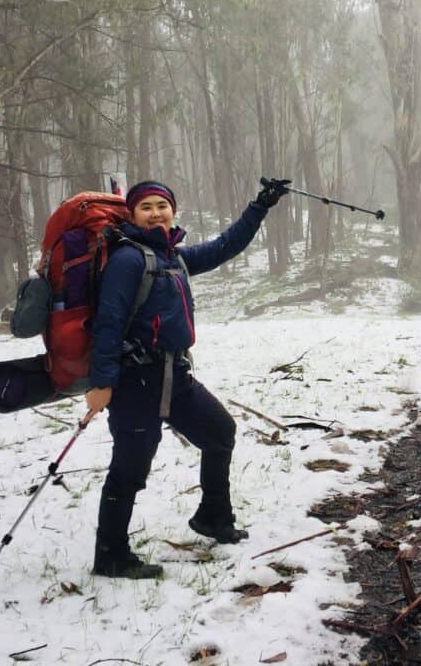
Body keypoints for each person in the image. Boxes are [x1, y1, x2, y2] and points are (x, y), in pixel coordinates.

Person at [84, 178, 290, 579]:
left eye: (162, 205)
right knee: (130, 468)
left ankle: (213, 516)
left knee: (219, 431)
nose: (156, 212)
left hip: (174, 374)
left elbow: (224, 246)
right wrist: (102, 383)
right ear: (133, 214)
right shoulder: (128, 260)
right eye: (147, 207)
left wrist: (259, 206)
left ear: (173, 211)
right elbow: (108, 323)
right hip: (134, 382)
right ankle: (110, 554)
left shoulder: (173, 257)